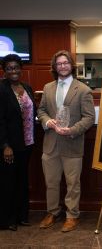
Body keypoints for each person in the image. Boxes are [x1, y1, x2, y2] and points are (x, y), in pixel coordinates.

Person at [37, 50, 95, 232]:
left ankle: (72, 215)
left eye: (66, 63)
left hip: (72, 143)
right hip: (50, 144)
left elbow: (88, 118)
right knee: (51, 182)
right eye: (59, 63)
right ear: (55, 67)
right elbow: (41, 111)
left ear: (72, 65)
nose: (62, 66)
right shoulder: (47, 88)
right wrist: (47, 121)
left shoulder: (84, 90)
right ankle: (53, 212)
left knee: (72, 183)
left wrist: (72, 130)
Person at [0, 54, 36, 231]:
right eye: (9, 68)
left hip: (27, 143)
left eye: (16, 67)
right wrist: (5, 146)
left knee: (22, 180)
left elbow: (30, 113)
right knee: (8, 182)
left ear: (21, 68)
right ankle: (8, 219)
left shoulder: (27, 87)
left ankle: (22, 216)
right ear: (4, 71)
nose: (13, 71)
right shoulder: (1, 89)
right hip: (10, 147)